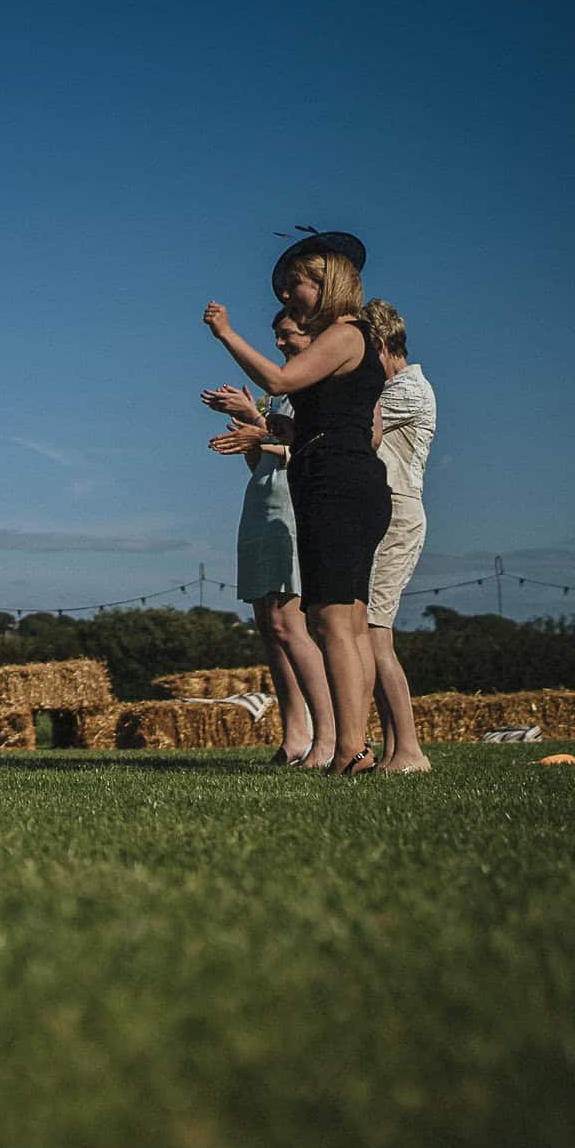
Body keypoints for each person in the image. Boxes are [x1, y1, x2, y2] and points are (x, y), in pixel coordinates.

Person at [203, 231, 390, 775]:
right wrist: (276, 428)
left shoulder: (346, 332)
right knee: (347, 623)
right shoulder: (353, 340)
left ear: (325, 282)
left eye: (294, 286)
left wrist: (225, 334)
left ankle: (349, 748)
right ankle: (353, 747)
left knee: (333, 622)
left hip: (337, 481)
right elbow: (338, 421)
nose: (287, 297)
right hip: (341, 474)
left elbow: (280, 378)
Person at [201, 310, 336, 766]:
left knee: (288, 623)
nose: (279, 343)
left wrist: (255, 427)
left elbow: (315, 451)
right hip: (261, 503)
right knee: (268, 626)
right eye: (275, 336)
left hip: (293, 509)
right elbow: (263, 462)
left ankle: (330, 734)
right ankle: (295, 733)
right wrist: (250, 438)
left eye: (287, 335)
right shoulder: (275, 401)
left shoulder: (315, 391)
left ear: (312, 336)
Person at [361, 298, 436, 772]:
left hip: (399, 513)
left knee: (375, 632)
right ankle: (394, 749)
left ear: (384, 345)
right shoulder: (394, 387)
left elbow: (361, 430)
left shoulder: (406, 390)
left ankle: (409, 750)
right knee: (369, 632)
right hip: (380, 511)